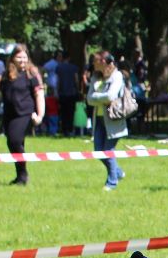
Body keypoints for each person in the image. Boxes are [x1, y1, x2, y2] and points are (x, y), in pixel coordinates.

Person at [0, 44, 45, 186]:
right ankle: (20, 177)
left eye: (24, 57)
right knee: (14, 144)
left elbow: (39, 94)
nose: (22, 60)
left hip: (25, 114)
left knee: (14, 141)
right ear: (13, 58)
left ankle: (23, 174)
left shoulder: (31, 74)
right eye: (19, 57)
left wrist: (40, 115)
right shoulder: (6, 75)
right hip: (9, 115)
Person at [86, 51, 128, 190]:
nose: (93, 64)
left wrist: (97, 96)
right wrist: (101, 98)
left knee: (108, 151)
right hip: (98, 119)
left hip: (113, 119)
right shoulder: (95, 77)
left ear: (103, 62)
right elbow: (89, 99)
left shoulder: (117, 76)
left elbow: (111, 96)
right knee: (99, 152)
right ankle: (118, 172)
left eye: (95, 61)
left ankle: (112, 182)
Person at [55, 52, 81, 137]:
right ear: (69, 58)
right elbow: (76, 80)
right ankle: (70, 129)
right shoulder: (74, 67)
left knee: (63, 112)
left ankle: (64, 129)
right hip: (72, 93)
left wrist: (57, 91)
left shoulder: (59, 67)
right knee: (71, 112)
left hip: (62, 93)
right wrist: (78, 90)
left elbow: (57, 81)